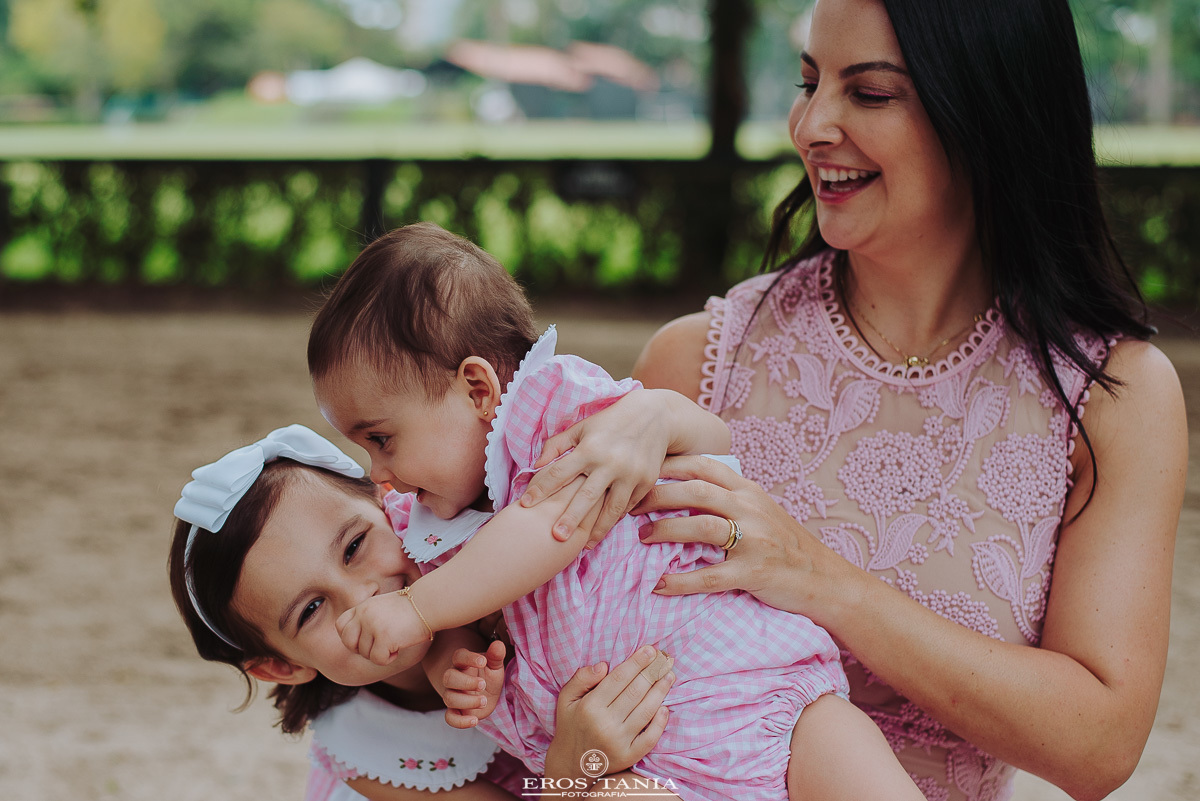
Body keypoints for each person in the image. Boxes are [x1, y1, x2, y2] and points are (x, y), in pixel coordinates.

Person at [516, 1, 1187, 800]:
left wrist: (818, 579)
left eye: (868, 93)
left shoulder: (1110, 396)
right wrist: (569, 776)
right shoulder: (697, 363)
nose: (810, 124)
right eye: (809, 81)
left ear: (989, 111)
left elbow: (1098, 746)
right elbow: (560, 702)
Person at [305, 222, 926, 801]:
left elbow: (552, 527)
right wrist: (456, 666)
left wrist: (416, 609)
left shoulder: (554, 414)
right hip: (636, 764)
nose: (378, 471)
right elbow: (453, 627)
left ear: (478, 389)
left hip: (756, 691)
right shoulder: (434, 521)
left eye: (381, 439)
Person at [168, 425, 676, 801]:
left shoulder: (501, 562)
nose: (363, 595)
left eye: (354, 547)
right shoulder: (370, 756)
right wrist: (576, 764)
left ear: (388, 502)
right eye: (312, 608)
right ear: (282, 666)